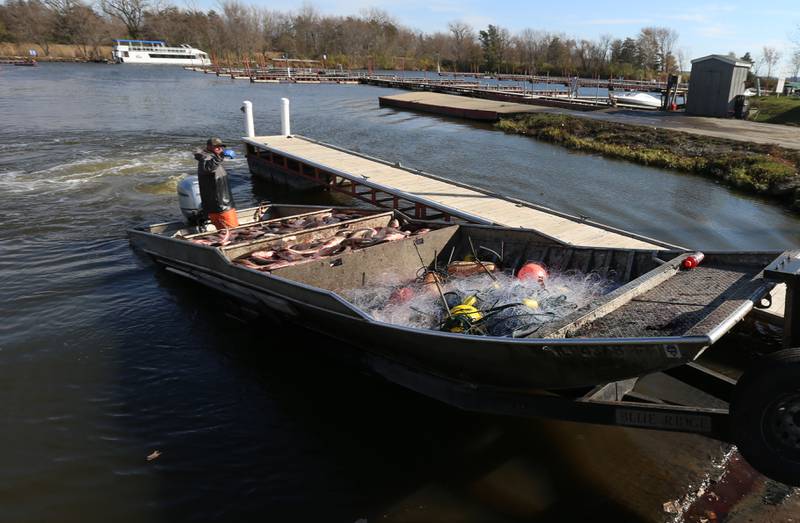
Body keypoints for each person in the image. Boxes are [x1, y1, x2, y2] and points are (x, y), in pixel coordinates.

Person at [194, 137, 239, 229]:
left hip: (220, 205)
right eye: (216, 146)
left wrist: (219, 156)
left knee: (225, 232)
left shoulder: (211, 157)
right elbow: (208, 168)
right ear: (209, 147)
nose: (220, 148)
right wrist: (220, 156)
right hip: (221, 207)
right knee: (232, 231)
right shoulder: (206, 158)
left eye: (221, 147)